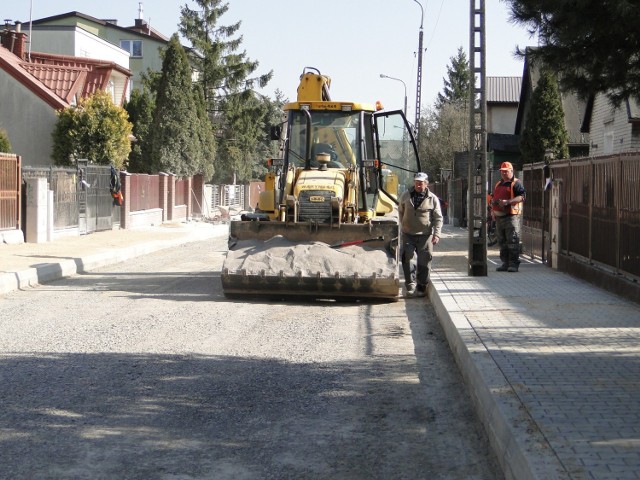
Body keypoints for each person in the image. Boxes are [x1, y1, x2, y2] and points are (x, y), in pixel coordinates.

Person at [398, 172, 443, 297]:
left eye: (421, 183)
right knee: (407, 258)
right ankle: (410, 285)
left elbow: (438, 217)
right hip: (408, 234)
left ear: (426, 184)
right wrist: (403, 225)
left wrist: (437, 234)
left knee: (424, 261)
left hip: (425, 235)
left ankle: (422, 286)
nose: (418, 185)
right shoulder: (406, 195)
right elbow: (400, 211)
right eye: (417, 182)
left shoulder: (432, 198)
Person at [491, 162, 526, 272]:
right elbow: (494, 199)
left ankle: (513, 264)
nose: (503, 173)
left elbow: (522, 196)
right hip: (499, 218)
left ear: (512, 171)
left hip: (511, 217)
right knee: (502, 242)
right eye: (502, 171)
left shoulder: (516, 183)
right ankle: (505, 263)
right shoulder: (498, 184)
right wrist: (493, 211)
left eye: (506, 171)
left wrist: (508, 202)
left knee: (512, 241)